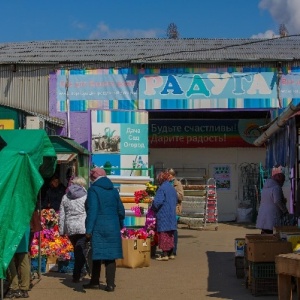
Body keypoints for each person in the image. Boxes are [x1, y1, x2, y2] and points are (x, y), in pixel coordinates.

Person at [83, 167, 125, 292]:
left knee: (97, 253)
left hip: (99, 227)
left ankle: (95, 281)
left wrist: (88, 230)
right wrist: (119, 224)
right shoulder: (113, 190)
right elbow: (121, 211)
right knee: (110, 256)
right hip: (113, 226)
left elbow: (93, 211)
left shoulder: (93, 190)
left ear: (93, 178)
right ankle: (110, 284)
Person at [58, 176, 87, 283]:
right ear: (82, 185)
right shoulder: (85, 196)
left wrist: (61, 230)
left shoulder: (65, 197)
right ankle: (77, 274)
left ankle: (80, 271)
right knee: (81, 251)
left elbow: (62, 215)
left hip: (70, 229)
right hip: (82, 227)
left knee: (77, 249)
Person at [151, 171, 177, 261]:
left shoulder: (162, 188)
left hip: (164, 214)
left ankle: (164, 254)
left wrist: (153, 207)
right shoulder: (172, 188)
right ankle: (171, 254)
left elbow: (158, 202)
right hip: (172, 214)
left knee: (163, 234)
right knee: (170, 235)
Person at [5, 227, 31, 299]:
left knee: (8, 258)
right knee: (23, 258)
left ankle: (14, 287)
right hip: (23, 228)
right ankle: (24, 289)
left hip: (10, 228)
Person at [167, 168, 184, 257]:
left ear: (172, 175)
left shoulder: (177, 184)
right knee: (167, 230)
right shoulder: (165, 183)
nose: (168, 176)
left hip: (175, 210)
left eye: (169, 175)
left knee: (173, 230)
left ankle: (174, 250)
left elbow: (181, 197)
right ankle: (167, 249)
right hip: (166, 209)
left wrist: (172, 192)